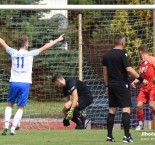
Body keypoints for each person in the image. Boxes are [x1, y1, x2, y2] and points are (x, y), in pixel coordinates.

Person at [0, 34, 64, 135]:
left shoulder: (13, 52)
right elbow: (46, 46)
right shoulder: (30, 54)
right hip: (25, 84)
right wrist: (58, 39)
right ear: (25, 45)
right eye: (28, 43)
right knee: (20, 107)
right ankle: (13, 128)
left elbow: (2, 42)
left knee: (9, 104)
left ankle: (6, 124)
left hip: (14, 83)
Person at [102, 34, 145, 143]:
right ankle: (126, 136)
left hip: (111, 85)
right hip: (122, 85)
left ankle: (109, 136)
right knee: (126, 109)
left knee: (112, 110)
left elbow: (105, 73)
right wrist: (141, 79)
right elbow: (129, 69)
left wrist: (107, 86)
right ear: (122, 43)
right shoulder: (122, 54)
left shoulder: (106, 55)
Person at [131, 45, 155, 130]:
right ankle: (140, 124)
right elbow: (140, 76)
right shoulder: (141, 63)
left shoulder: (152, 59)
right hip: (144, 88)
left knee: (152, 105)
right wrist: (135, 81)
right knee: (139, 105)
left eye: (138, 52)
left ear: (140, 51)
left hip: (153, 87)